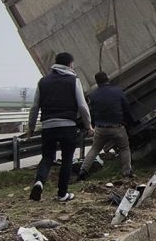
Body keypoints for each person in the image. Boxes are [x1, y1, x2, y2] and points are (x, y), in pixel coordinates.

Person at [26, 52, 92, 202]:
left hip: (48, 126)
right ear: (70, 64)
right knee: (67, 158)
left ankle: (39, 181)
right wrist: (89, 125)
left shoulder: (43, 81)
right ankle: (62, 194)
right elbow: (82, 105)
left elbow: (35, 107)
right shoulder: (73, 80)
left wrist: (31, 127)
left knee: (47, 157)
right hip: (68, 125)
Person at [80, 72, 134, 180]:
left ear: (97, 82)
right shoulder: (117, 91)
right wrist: (128, 121)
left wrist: (94, 125)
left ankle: (83, 171)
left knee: (95, 149)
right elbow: (126, 107)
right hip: (117, 127)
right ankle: (127, 172)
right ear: (108, 78)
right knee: (124, 148)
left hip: (100, 128)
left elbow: (93, 112)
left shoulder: (93, 95)